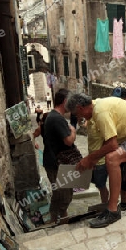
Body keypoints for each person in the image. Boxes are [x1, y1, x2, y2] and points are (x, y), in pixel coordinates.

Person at [67, 93, 126, 228]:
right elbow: (106, 142)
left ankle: (113, 211)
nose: (78, 117)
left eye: (76, 114)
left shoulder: (100, 111)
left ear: (79, 108)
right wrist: (93, 159)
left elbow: (112, 145)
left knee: (112, 159)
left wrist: (90, 158)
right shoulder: (96, 105)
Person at [43, 89, 76, 224]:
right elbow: (68, 140)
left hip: (53, 161)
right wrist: (73, 130)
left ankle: (55, 220)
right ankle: (60, 221)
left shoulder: (53, 117)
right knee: (64, 194)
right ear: (65, 101)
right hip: (56, 163)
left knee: (59, 193)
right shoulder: (57, 118)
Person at [111, 87, 126, 211]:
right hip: (118, 146)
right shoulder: (114, 110)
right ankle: (120, 203)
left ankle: (124, 203)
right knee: (119, 175)